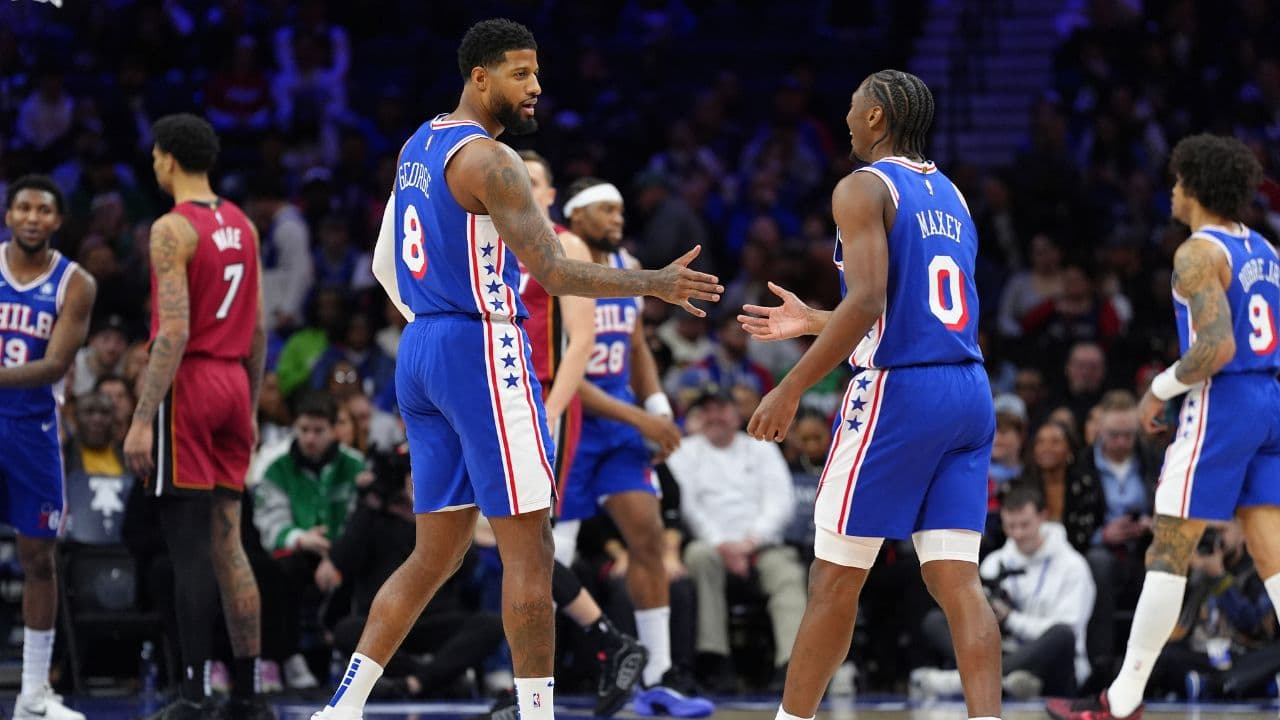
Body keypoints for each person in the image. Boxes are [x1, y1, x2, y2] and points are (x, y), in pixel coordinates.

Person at [311, 18, 720, 720]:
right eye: (520, 74)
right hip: (479, 345)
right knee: (528, 546)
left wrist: (432, 326)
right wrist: (650, 283)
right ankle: (536, 716)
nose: (536, 88)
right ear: (480, 77)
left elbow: (384, 264)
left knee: (433, 554)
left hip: (422, 350)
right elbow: (555, 272)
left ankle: (343, 708)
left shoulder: (420, 142)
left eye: (536, 74)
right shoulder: (492, 163)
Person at [738, 69, 1004, 720]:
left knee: (833, 576)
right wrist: (812, 322)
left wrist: (791, 385)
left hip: (900, 396)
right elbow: (917, 315)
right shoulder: (953, 196)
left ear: (879, 116)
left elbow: (869, 301)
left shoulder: (861, 187)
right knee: (956, 578)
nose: (849, 119)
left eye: (855, 108)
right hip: (968, 389)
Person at [1046, 134, 1280, 719]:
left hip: (1223, 403)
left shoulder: (1197, 253)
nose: (1172, 190)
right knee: (1271, 548)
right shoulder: (1266, 250)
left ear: (1196, 187)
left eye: (1178, 181)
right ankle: (1123, 698)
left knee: (1170, 547)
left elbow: (1217, 346)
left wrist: (1157, 388)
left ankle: (1121, 700)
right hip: (1270, 397)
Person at [122, 113, 273, 720]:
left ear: (165, 159)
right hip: (236, 381)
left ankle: (190, 693)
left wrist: (140, 417)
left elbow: (174, 331)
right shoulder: (243, 224)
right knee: (228, 544)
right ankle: (247, 693)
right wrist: (253, 406)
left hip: (193, 382)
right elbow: (259, 330)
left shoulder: (170, 230)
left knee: (188, 550)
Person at [553, 175, 714, 717]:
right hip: (571, 420)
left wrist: (659, 408)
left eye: (621, 209)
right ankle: (531, 679)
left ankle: (659, 677)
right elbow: (566, 370)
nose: (617, 217)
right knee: (553, 559)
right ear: (575, 217)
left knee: (648, 538)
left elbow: (638, 344)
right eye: (605, 209)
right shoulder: (561, 269)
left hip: (621, 425)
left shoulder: (626, 266)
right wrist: (640, 419)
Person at [514, 149, 648, 718]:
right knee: (507, 543)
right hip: (502, 398)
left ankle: (545, 681)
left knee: (527, 541)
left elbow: (582, 338)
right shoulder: (493, 240)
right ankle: (607, 643)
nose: (517, 184)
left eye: (531, 178)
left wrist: (552, 408)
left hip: (544, 400)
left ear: (549, 194)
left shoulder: (562, 245)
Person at [0, 174, 96, 720]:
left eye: (44, 210)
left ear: (57, 221)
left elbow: (57, 364)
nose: (33, 217)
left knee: (39, 559)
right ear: (9, 215)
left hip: (33, 429)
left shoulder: (75, 282)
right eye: (24, 208)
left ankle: (33, 693)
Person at [667, 386, 806, 691]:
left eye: (721, 408)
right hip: (712, 545)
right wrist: (722, 544)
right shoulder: (685, 451)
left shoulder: (762, 448)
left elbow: (781, 502)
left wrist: (751, 542)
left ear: (736, 414)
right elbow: (688, 506)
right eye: (707, 410)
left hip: (761, 545)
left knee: (788, 574)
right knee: (699, 557)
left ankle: (792, 666)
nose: (714, 416)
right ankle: (715, 659)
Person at [915, 484, 1095, 700]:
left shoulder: (1073, 566)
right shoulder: (994, 562)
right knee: (936, 620)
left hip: (1048, 663)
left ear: (1042, 517)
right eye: (1011, 526)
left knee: (1062, 635)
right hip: (1001, 651)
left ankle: (962, 680)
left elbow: (1071, 631)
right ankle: (1001, 679)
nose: (1017, 533)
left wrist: (1010, 618)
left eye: (1024, 525)